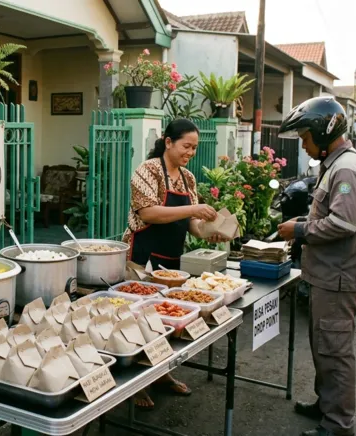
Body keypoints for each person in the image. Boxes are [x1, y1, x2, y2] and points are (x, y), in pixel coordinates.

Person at [275, 97, 356, 436]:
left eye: (305, 137)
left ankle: (338, 423)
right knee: (322, 345)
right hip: (327, 274)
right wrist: (304, 220)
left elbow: (344, 223)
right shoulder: (335, 163)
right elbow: (329, 213)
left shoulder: (345, 168)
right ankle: (326, 404)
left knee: (335, 350)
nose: (303, 144)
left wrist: (300, 229)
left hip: (339, 277)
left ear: (322, 130)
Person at [122, 118, 228, 409]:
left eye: (194, 148)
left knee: (167, 321)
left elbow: (191, 223)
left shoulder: (188, 178)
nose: (190, 152)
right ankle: (134, 384)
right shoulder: (149, 170)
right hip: (142, 257)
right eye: (186, 146)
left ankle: (161, 375)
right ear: (168, 142)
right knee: (139, 320)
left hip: (171, 258)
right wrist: (194, 208)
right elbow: (148, 214)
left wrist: (209, 231)